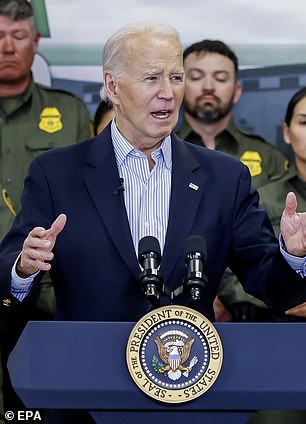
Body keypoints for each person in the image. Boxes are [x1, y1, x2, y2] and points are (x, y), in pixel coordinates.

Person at [0, 22, 306, 423]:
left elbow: (270, 284)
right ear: (112, 86)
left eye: (176, 77)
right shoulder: (56, 174)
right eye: (151, 77)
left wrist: (293, 255)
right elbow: (9, 276)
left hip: (195, 394)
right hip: (84, 393)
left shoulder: (224, 178)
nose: (168, 91)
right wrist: (24, 267)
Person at [0, 0, 91, 420]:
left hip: (44, 295)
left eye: (18, 36)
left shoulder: (70, 110)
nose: (7, 46)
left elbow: (89, 197)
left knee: (45, 411)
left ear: (36, 41)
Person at [175, 39, 290, 322]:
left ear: (237, 91)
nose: (209, 87)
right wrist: (203, 293)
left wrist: (236, 297)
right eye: (196, 76)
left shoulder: (270, 157)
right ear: (178, 84)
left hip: (258, 312)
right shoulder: (160, 154)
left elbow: (264, 241)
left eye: (220, 78)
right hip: (176, 305)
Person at [248, 88, 306, 424]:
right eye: (304, 121)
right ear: (286, 132)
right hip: (277, 345)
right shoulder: (261, 198)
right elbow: (232, 273)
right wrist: (286, 299)